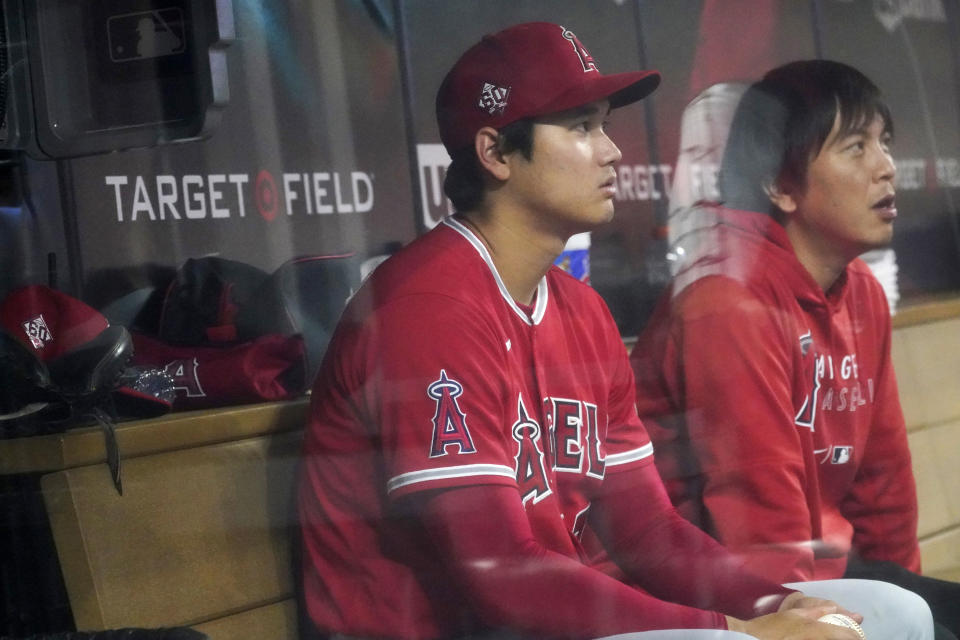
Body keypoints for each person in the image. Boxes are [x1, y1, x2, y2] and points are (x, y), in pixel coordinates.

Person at [298, 26, 932, 640]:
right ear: (494, 153)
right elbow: (500, 578)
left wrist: (781, 604)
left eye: (603, 124)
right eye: (580, 127)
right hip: (449, 629)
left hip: (554, 620)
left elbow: (647, 528)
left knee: (891, 615)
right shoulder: (427, 310)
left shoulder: (579, 309)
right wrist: (739, 629)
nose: (611, 150)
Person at [631, 59, 958, 638]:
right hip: (721, 588)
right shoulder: (727, 300)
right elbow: (758, 524)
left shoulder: (861, 293)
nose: (886, 168)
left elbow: (882, 483)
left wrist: (908, 602)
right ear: (781, 185)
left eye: (884, 143)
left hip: (825, 569)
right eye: (855, 147)